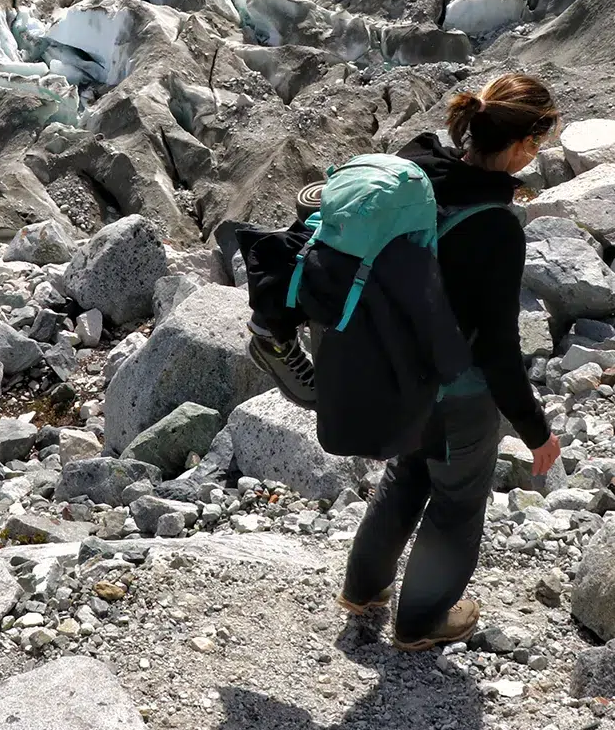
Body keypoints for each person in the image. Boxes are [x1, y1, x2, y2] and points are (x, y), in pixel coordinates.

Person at [241, 74, 562, 650]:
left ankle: (362, 590)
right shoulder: (494, 225)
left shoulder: (409, 175)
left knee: (407, 473)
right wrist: (535, 429)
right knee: (457, 503)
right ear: (524, 146)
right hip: (457, 391)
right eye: (538, 143)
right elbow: (495, 347)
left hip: (392, 372)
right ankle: (422, 621)